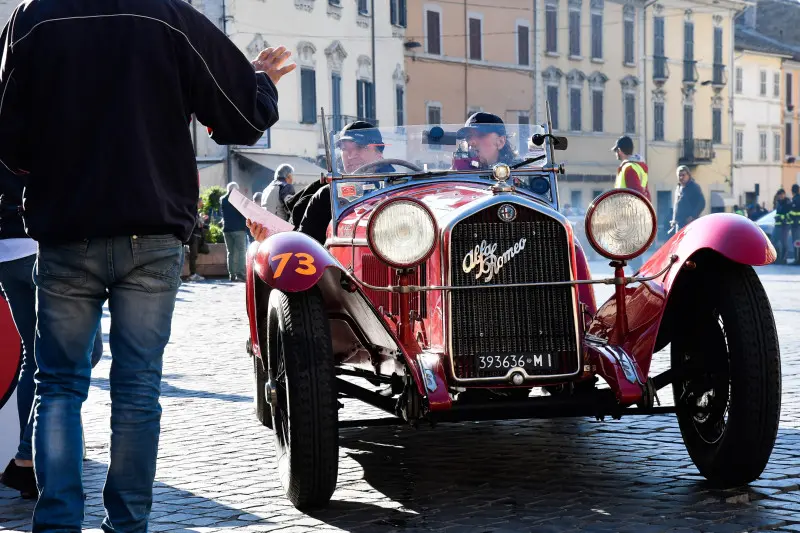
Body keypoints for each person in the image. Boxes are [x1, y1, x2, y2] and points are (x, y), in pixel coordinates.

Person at [0, 0, 293, 530]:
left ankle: (58, 521)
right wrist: (260, 80)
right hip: (151, 229)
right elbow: (242, 118)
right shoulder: (170, 16)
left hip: (67, 230)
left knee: (59, 386)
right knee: (137, 389)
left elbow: (8, 138)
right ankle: (128, 524)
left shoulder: (33, 17)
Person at [0, 167, 103, 500]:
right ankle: (27, 453)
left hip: (7, 249)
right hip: (41, 244)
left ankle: (30, 466)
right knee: (83, 350)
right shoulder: (42, 114)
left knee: (37, 356)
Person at [289, 121, 394, 245]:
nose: (351, 155)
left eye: (360, 147)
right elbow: (306, 247)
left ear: (379, 151)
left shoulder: (403, 190)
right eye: (344, 149)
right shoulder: (327, 196)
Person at [221, 182, 249, 282]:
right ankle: (240, 274)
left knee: (230, 252)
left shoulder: (223, 200)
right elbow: (245, 213)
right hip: (239, 229)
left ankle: (231, 275)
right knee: (241, 252)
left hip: (227, 229)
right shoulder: (239, 200)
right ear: (236, 190)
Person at [611, 136, 651, 202]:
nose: (615, 153)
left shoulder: (628, 168)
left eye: (616, 151)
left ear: (619, 151)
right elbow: (645, 193)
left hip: (628, 211)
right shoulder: (638, 167)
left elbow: (636, 196)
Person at [671, 166, 706, 232]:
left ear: (688, 175)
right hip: (679, 224)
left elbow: (702, 203)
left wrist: (692, 216)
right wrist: (674, 219)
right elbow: (676, 205)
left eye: (683, 175)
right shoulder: (678, 188)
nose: (681, 177)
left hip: (690, 223)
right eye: (679, 175)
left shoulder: (694, 187)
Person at [186, 198, 207, 282]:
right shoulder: (193, 211)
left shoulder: (195, 211)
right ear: (197, 202)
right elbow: (196, 223)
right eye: (201, 202)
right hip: (193, 236)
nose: (202, 204)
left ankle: (193, 274)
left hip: (195, 235)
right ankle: (192, 274)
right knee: (193, 255)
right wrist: (202, 220)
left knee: (194, 255)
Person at [773, 189, 792, 264]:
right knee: (775, 240)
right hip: (778, 225)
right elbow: (778, 213)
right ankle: (777, 258)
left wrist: (781, 218)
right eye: (779, 195)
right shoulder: (778, 203)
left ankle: (784, 259)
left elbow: (789, 214)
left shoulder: (788, 202)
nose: (780, 196)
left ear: (784, 194)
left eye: (781, 194)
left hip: (785, 225)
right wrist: (777, 217)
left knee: (784, 242)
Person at [791, 184, 800, 265]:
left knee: (797, 242)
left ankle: (797, 260)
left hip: (796, 225)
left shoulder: (795, 199)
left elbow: (794, 212)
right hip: (797, 224)